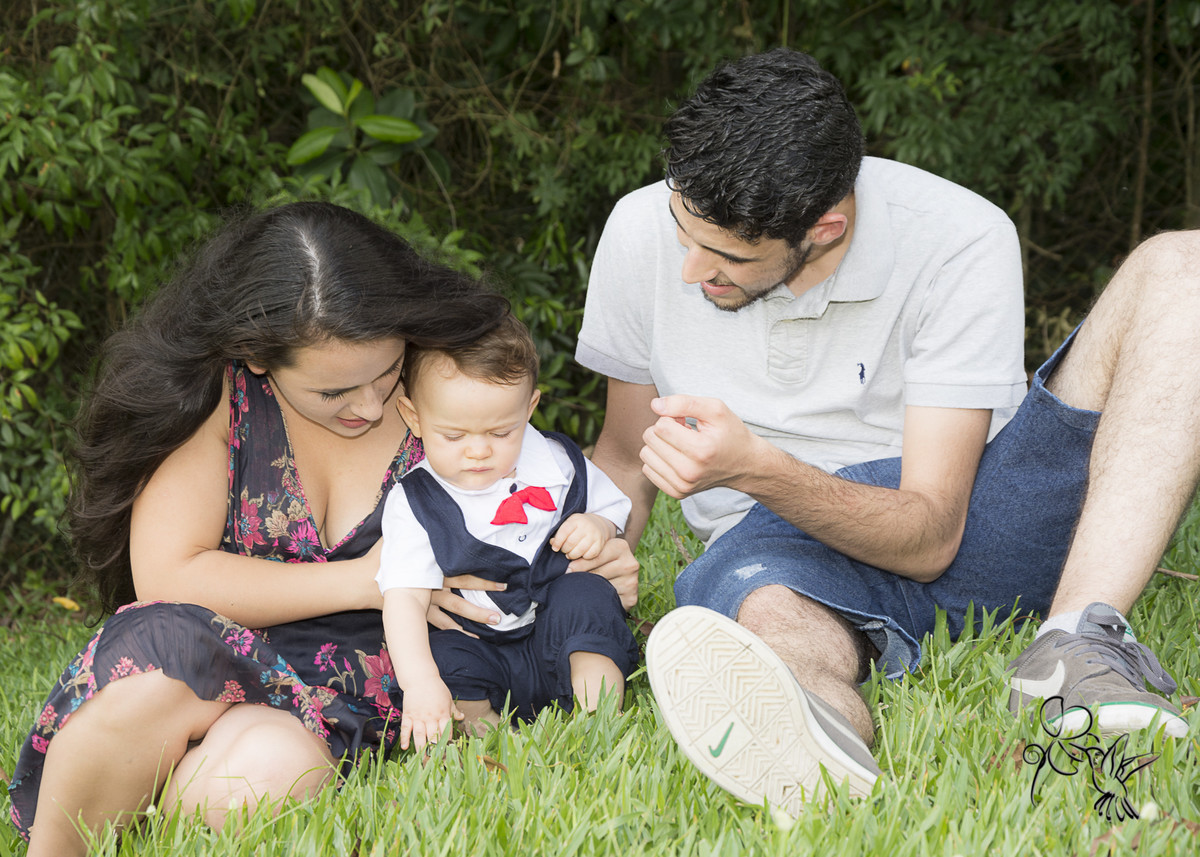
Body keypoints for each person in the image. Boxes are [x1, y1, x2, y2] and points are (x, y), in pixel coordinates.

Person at [576, 48, 1194, 817]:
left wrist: (755, 466)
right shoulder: (641, 232)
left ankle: (1077, 637)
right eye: (684, 231)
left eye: (729, 255)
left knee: (1183, 267)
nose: (689, 269)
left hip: (976, 517)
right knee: (768, 621)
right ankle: (818, 747)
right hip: (779, 552)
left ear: (826, 227)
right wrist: (585, 563)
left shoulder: (961, 237)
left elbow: (933, 529)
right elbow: (623, 454)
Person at [7, 201, 639, 855]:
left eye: (384, 373)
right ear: (257, 355)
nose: (369, 406)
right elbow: (171, 576)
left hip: (349, 691)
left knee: (263, 779)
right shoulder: (221, 399)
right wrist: (372, 578)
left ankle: (145, 799)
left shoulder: (445, 386)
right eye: (334, 392)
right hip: (208, 643)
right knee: (152, 684)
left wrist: (590, 557)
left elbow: (541, 505)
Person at [376, 313, 639, 748]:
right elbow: (403, 598)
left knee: (588, 597)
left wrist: (597, 524)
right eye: (454, 435)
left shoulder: (555, 460)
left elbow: (613, 506)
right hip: (480, 643)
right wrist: (420, 683)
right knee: (443, 653)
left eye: (501, 431)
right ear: (414, 417)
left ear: (529, 408)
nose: (478, 451)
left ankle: (598, 717)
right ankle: (492, 734)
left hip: (557, 629)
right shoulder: (415, 500)